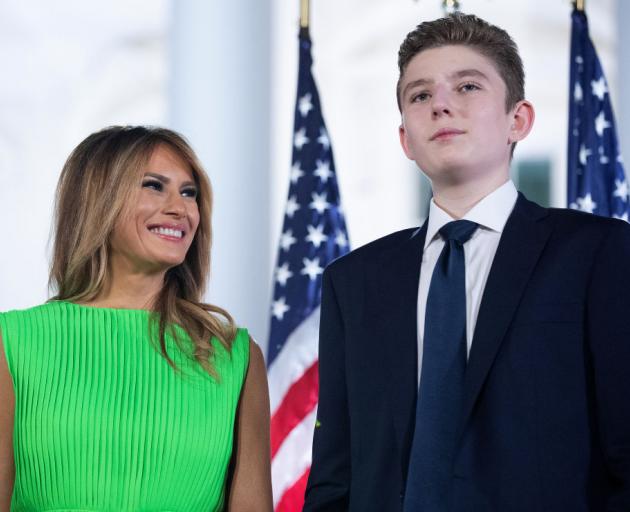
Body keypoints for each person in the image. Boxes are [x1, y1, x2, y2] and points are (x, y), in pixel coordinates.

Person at [304, 13, 630, 511]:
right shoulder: (353, 282)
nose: (440, 105)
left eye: (468, 87)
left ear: (517, 120)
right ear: (406, 140)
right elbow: (336, 474)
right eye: (420, 95)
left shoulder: (598, 253)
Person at [0, 126, 273, 511]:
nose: (180, 208)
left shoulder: (235, 357)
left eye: (189, 192)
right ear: (98, 199)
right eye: (154, 186)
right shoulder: (13, 343)